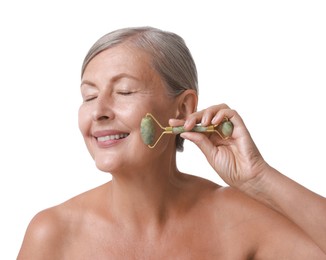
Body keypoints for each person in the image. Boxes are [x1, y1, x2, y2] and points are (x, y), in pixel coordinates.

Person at [17, 26, 326, 259]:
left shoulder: (238, 218)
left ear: (183, 108)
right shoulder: (52, 233)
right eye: (89, 96)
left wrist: (259, 177)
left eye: (124, 91)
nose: (98, 112)